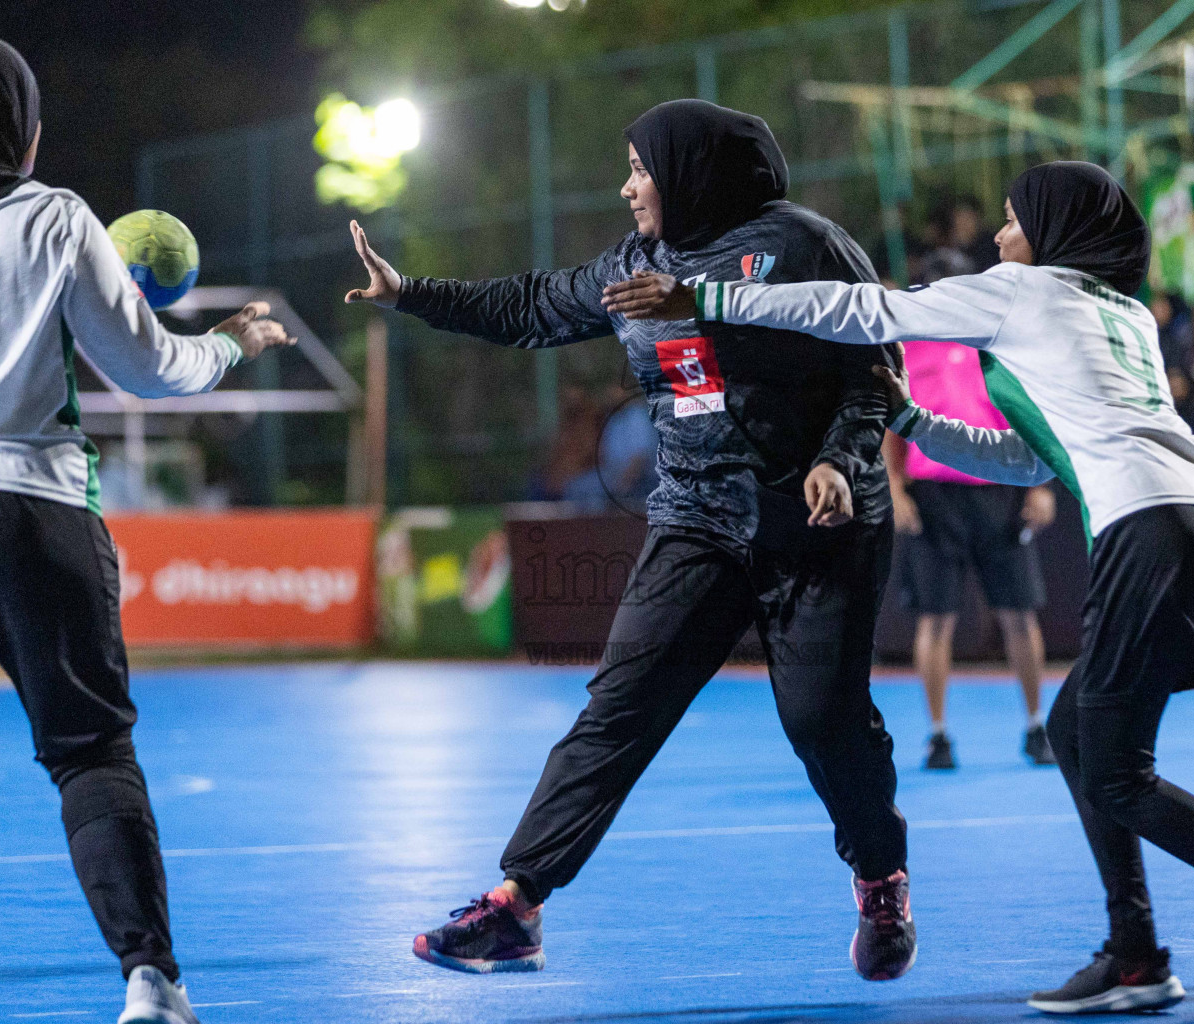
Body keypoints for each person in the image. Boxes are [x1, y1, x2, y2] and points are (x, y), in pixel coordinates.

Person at [604, 159, 1194, 1015]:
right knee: (1079, 736)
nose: (998, 239)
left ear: (1050, 235)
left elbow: (864, 309)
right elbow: (1029, 456)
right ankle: (1135, 953)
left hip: (1150, 526)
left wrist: (704, 300)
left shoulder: (1023, 291)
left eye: (1012, 221)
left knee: (1114, 769)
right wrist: (912, 419)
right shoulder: (1120, 312)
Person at [346, 99, 915, 981]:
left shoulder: (805, 245)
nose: (627, 187)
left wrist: (842, 460)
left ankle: (880, 876)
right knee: (619, 709)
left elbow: (877, 368)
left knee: (822, 721)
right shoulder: (636, 262)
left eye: (640, 169)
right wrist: (412, 293)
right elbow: (532, 304)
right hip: (695, 518)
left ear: (692, 172)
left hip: (819, 525)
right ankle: (517, 905)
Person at [0, 32, 292, 1024]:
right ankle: (149, 979)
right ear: (23, 133)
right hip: (30, 506)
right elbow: (149, 370)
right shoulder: (54, 218)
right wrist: (232, 343)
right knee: (87, 752)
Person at [884, 341, 1055, 770]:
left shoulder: (994, 342)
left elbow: (1026, 416)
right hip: (934, 498)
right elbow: (894, 420)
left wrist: (1039, 486)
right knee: (935, 619)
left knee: (1019, 614)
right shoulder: (910, 345)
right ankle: (938, 736)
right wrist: (895, 485)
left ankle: (1037, 727)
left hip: (1001, 491)